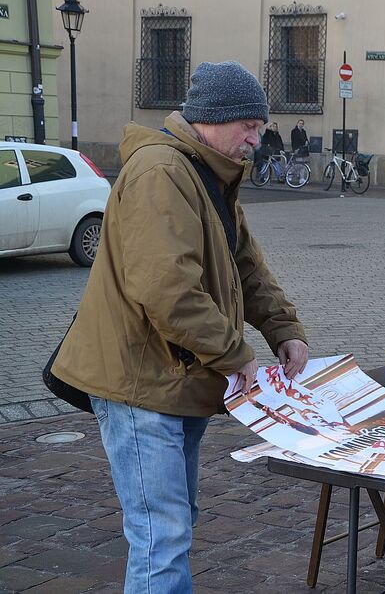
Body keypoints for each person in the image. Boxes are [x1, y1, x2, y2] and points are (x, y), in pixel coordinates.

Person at [51, 60, 310, 592]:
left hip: (176, 376)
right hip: (141, 382)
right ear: (213, 118)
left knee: (172, 525)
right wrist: (236, 354)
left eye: (259, 127)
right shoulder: (162, 173)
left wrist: (284, 329)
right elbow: (167, 291)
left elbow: (245, 265)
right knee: (161, 536)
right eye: (249, 126)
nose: (256, 140)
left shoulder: (209, 173)